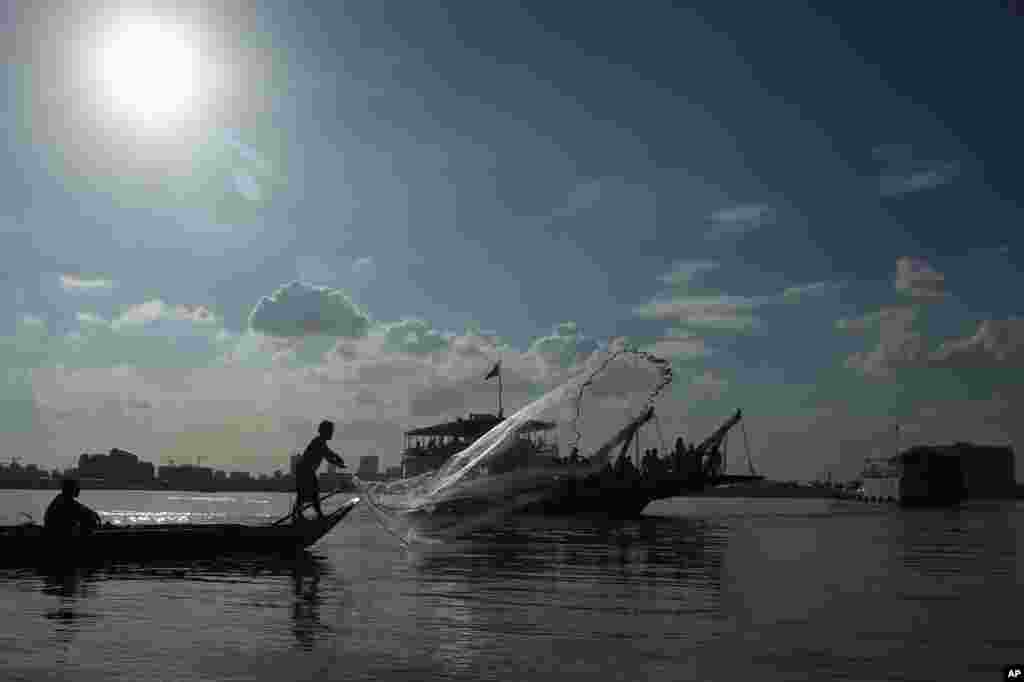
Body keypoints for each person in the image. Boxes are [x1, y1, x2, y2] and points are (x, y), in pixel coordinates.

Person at [292, 420, 347, 522]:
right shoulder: (318, 442)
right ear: (325, 432)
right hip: (304, 470)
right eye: (330, 431)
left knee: (310, 494)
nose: (332, 433)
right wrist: (338, 463)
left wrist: (337, 458)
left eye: (332, 431)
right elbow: (328, 456)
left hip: (306, 470)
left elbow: (329, 453)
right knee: (309, 493)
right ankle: (300, 515)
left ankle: (298, 515)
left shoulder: (321, 442)